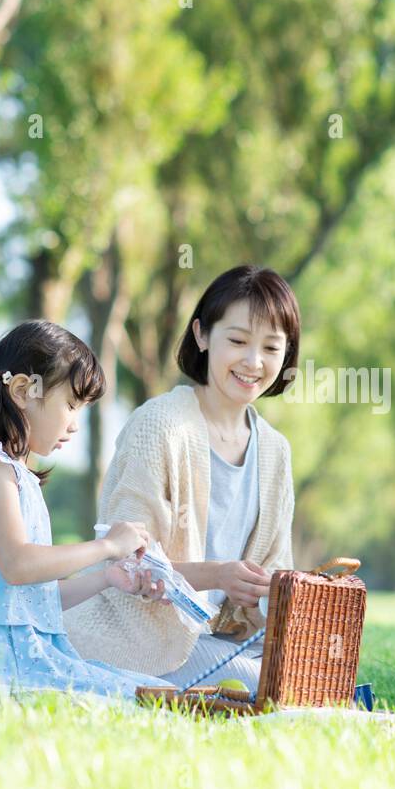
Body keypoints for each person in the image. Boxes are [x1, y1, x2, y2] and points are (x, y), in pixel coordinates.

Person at [64, 265, 301, 691]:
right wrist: (217, 575)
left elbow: (274, 569)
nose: (253, 362)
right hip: (142, 639)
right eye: (238, 340)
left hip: (225, 642)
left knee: (306, 671)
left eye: (271, 347)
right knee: (269, 685)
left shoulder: (275, 451)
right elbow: (128, 562)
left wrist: (271, 592)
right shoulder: (159, 425)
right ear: (202, 335)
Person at [0, 320, 174, 698]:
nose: (74, 425)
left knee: (148, 688)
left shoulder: (14, 473)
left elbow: (29, 599)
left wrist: (106, 578)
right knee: (139, 695)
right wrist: (107, 546)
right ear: (22, 390)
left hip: (20, 658)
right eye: (70, 405)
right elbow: (19, 566)